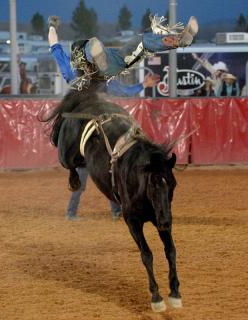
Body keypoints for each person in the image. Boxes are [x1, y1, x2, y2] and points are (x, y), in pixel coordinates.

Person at [48, 17, 160, 221]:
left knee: (92, 166)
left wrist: (53, 27)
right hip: (93, 121)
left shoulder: (73, 74)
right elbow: (124, 91)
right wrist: (143, 85)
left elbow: (55, 47)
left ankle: (79, 211)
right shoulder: (101, 79)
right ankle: (110, 210)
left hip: (82, 124)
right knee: (107, 163)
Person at [49, 14, 198, 91]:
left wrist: (52, 26)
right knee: (139, 41)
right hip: (110, 64)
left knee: (142, 40)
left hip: (111, 64)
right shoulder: (75, 69)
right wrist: (52, 26)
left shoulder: (68, 68)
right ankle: (179, 40)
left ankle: (180, 38)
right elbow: (54, 43)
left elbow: (54, 43)